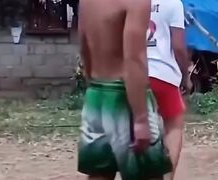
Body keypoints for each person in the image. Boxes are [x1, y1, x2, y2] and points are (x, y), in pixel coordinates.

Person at [77, 0, 172, 180]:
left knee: (99, 173)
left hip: (97, 92)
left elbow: (84, 46)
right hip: (125, 97)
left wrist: (93, 84)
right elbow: (134, 59)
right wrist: (141, 119)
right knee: (148, 174)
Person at [147, 0, 191, 179]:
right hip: (163, 74)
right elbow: (178, 46)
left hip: (135, 74)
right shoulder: (173, 3)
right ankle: (167, 176)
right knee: (174, 127)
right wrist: (185, 76)